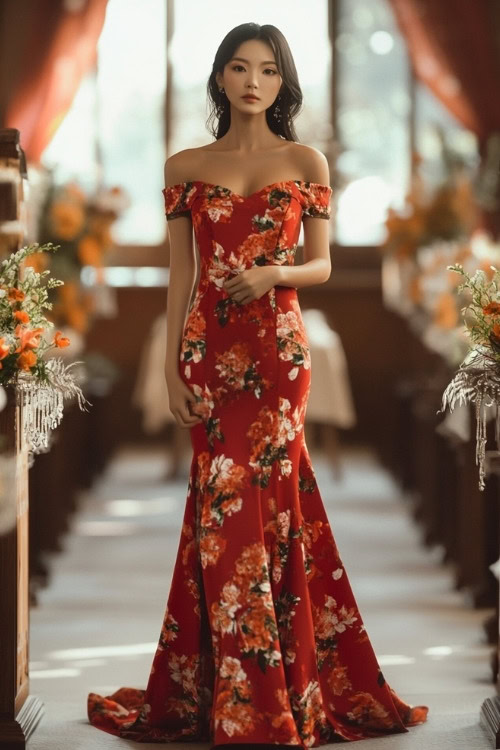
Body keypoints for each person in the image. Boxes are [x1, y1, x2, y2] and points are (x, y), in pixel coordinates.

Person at [87, 22, 429, 748]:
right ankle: (233, 693)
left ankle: (268, 700)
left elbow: (323, 265)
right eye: (239, 68)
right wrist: (176, 365)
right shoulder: (184, 166)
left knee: (266, 511)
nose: (253, 81)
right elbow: (182, 276)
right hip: (210, 357)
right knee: (221, 512)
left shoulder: (306, 160)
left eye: (268, 71)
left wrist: (275, 272)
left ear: (282, 83)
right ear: (219, 79)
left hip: (277, 356)